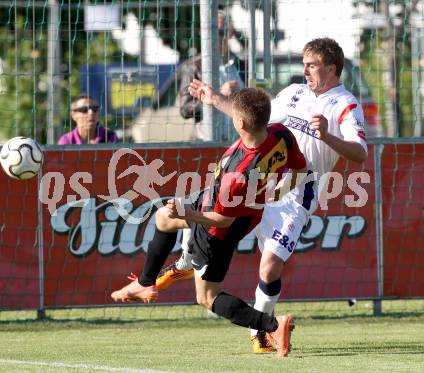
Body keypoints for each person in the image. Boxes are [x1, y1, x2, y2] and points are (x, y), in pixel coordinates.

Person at [155, 37, 368, 353]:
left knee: (269, 268)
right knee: (207, 209)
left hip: (297, 195)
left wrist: (327, 135)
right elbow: (256, 121)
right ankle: (188, 258)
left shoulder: (345, 104)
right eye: (305, 64)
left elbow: (360, 153)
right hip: (262, 186)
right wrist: (214, 99)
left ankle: (259, 333)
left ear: (332, 68)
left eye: (312, 65)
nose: (305, 71)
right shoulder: (295, 92)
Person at [111, 88, 307, 357]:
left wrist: (187, 215)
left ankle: (272, 325)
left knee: (207, 297)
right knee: (163, 217)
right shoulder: (281, 134)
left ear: (240, 123)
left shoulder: (236, 172)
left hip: (218, 228)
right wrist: (277, 192)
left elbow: (222, 220)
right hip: (242, 208)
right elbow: (301, 170)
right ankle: (146, 282)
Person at [179, 10, 245, 142]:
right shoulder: (193, 67)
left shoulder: (242, 65)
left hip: (239, 144)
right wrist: (217, 95)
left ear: (230, 33)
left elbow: (253, 107)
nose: (216, 38)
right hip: (206, 144)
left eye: (220, 32)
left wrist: (242, 98)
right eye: (211, 33)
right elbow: (185, 110)